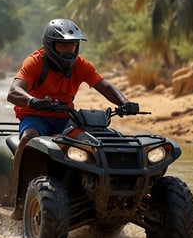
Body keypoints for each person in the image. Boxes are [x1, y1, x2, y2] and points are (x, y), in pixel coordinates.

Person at [7, 18, 139, 158]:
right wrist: (33, 102)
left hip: (65, 119)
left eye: (72, 46)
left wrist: (124, 102)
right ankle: (17, 172)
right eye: (62, 46)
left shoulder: (81, 64)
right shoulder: (34, 62)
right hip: (35, 117)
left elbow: (103, 85)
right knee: (29, 137)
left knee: (91, 142)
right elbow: (13, 92)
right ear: (49, 45)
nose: (69, 51)